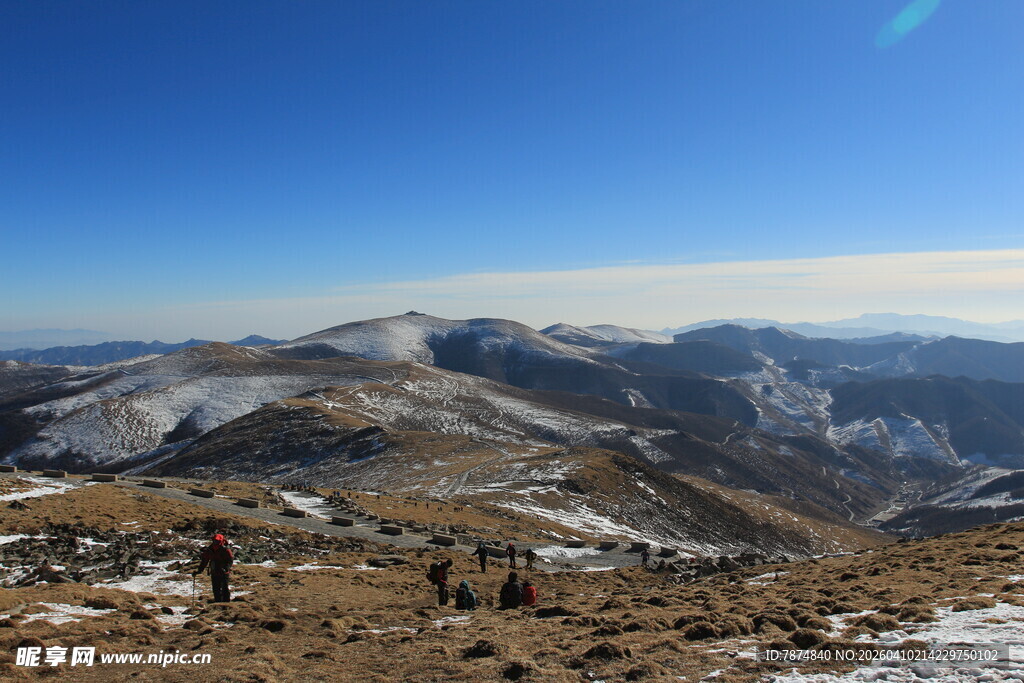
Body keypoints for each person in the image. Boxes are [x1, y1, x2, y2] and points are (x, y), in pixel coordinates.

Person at [194, 533, 234, 603]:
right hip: (214, 571)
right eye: (215, 541)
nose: (216, 543)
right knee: (216, 589)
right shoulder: (209, 550)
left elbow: (230, 560)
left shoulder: (226, 550)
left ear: (221, 541)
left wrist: (226, 568)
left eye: (217, 541)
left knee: (224, 588)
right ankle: (218, 603)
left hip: (224, 572)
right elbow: (204, 560)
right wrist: (199, 570)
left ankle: (226, 604)